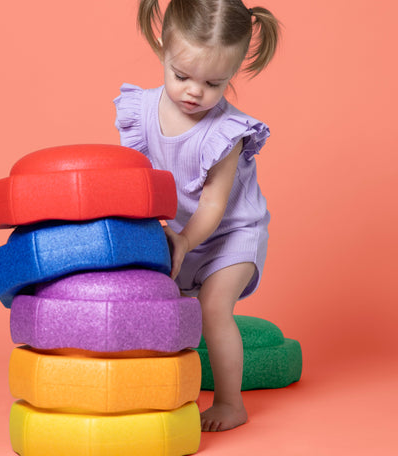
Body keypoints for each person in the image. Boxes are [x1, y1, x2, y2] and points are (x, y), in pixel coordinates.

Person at [114, 0, 280, 432]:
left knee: (212, 307)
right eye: (182, 76)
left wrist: (186, 241)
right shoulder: (141, 112)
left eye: (213, 83)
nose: (194, 92)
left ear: (233, 74)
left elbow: (213, 205)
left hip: (230, 234)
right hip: (177, 233)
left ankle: (230, 403)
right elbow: (137, 182)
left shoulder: (227, 133)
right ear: (162, 50)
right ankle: (162, 391)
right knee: (156, 305)